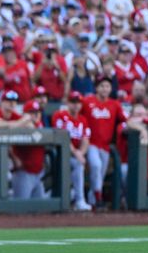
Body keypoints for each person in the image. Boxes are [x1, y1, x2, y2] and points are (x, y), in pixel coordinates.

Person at [81, 76, 126, 207]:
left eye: (107, 86)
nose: (105, 89)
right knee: (96, 166)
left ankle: (93, 201)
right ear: (96, 88)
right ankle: (98, 198)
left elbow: (123, 120)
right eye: (102, 86)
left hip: (105, 146)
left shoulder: (114, 104)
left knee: (100, 173)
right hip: (91, 143)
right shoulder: (87, 101)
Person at [51, 91, 92, 211]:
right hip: (59, 154)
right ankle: (78, 199)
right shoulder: (60, 115)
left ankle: (78, 198)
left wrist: (81, 153)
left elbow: (85, 139)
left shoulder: (83, 119)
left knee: (80, 164)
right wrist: (76, 153)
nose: (76, 105)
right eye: (73, 102)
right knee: (78, 164)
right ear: (68, 103)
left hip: (75, 156)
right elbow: (62, 138)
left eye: (78, 102)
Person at [11, 100, 47, 200]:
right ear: (25, 114)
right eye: (31, 112)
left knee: (41, 210)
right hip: (23, 173)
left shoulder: (40, 125)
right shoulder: (19, 125)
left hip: (38, 174)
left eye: (37, 112)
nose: (35, 115)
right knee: (20, 210)